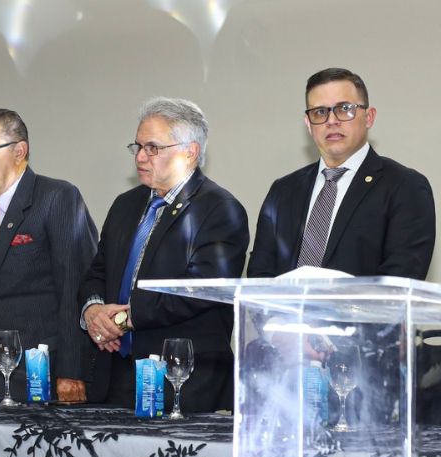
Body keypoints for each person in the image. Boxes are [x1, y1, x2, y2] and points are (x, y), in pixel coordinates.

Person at [79, 97, 249, 412]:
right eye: (138, 147)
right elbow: (98, 272)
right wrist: (93, 313)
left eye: (153, 148)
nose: (140, 157)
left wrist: (120, 320)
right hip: (116, 373)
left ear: (190, 152)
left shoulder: (220, 209)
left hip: (183, 380)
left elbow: (198, 290)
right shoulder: (125, 205)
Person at [0, 108, 98, 402]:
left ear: (19, 151)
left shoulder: (57, 197)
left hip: (43, 374)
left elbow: (74, 289)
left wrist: (72, 370)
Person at [248, 67, 435, 279]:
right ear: (308, 124)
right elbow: (260, 274)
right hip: (283, 303)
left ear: (369, 117)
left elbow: (400, 279)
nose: (331, 121)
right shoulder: (283, 191)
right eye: (320, 112)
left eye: (345, 109)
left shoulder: (405, 187)